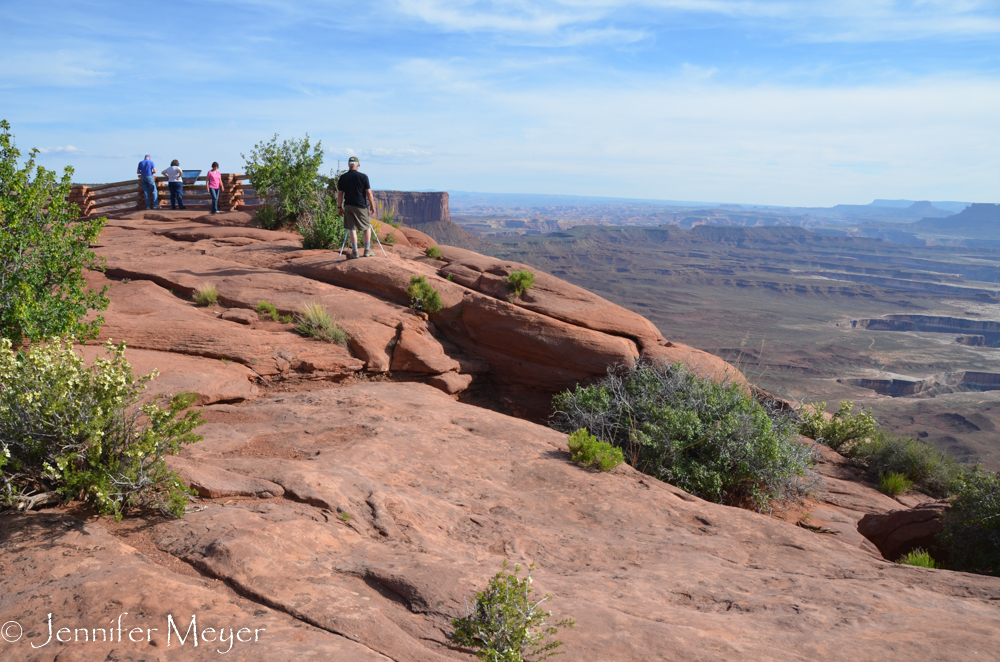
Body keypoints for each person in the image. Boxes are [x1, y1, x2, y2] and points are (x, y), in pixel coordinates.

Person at [336, 156, 376, 258]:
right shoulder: (363, 177)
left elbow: (340, 194)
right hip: (361, 206)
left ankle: (355, 252)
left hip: (348, 206)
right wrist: (372, 205)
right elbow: (369, 193)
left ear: (349, 165)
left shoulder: (343, 177)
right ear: (357, 165)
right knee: (367, 227)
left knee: (352, 228)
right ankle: (367, 250)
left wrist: (339, 207)